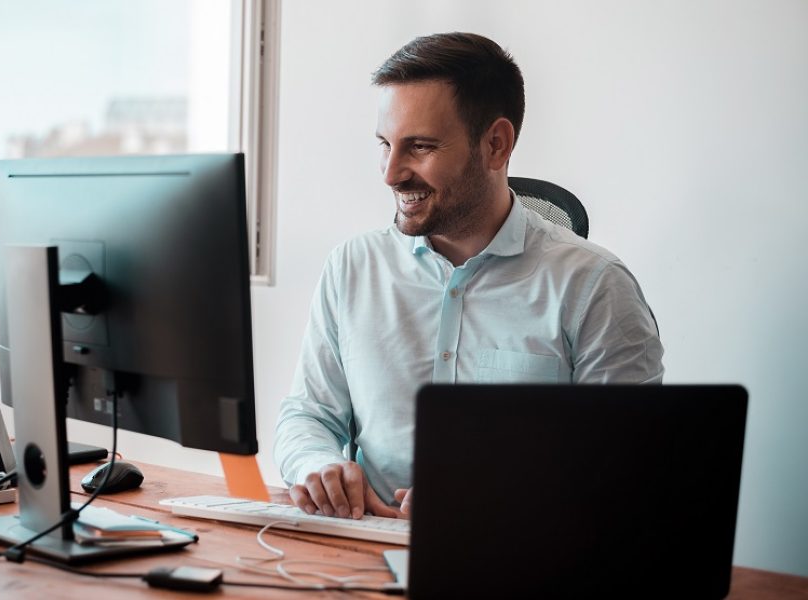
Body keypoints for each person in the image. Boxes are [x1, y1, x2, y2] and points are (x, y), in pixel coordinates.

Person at [273, 32, 664, 521]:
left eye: (419, 147)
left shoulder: (594, 287)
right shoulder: (352, 267)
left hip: (524, 559)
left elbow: (629, 468)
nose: (391, 173)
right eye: (385, 145)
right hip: (363, 548)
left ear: (496, 144)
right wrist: (318, 463)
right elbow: (307, 414)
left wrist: (497, 495)